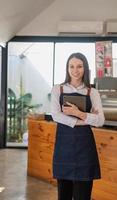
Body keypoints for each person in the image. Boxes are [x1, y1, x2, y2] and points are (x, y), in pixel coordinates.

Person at [51, 52, 105, 200]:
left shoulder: (92, 92)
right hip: (64, 148)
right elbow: (56, 115)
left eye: (79, 66)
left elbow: (100, 120)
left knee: (83, 196)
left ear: (85, 68)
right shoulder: (58, 89)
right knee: (64, 196)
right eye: (72, 66)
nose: (75, 70)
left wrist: (77, 113)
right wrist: (86, 118)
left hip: (85, 148)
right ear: (67, 68)